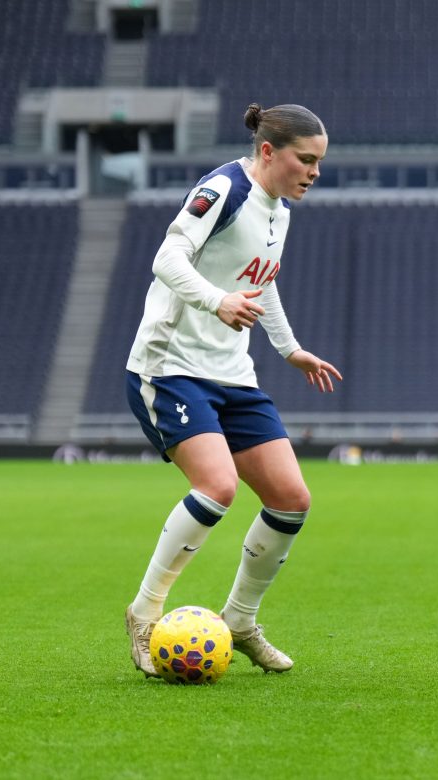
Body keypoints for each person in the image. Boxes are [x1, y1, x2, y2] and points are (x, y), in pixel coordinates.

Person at [124, 103, 341, 678]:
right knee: (217, 486)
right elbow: (166, 256)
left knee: (291, 498)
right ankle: (144, 614)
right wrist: (214, 300)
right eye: (306, 159)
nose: (314, 172)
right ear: (268, 151)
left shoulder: (281, 211)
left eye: (320, 162)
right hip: (169, 366)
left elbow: (259, 283)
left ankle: (241, 622)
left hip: (232, 374)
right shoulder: (224, 188)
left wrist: (289, 348)